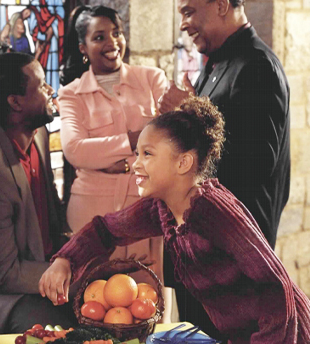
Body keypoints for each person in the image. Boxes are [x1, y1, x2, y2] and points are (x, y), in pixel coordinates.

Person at [40, 96, 310, 343]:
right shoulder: (162, 208)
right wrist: (66, 260)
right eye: (137, 153)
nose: (135, 164)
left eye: (147, 154)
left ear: (183, 163)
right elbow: (106, 229)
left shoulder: (216, 211)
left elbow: (276, 288)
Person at [158, 0, 290, 337]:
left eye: (189, 12)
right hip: (205, 256)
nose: (184, 25)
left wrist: (187, 111)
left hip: (233, 264)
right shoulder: (218, 64)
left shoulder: (257, 66)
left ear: (220, 5)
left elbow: (256, 165)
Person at [56, 5, 169, 316]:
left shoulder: (152, 79)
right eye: (99, 36)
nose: (112, 42)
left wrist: (106, 161)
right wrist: (136, 141)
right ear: (83, 47)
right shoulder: (70, 94)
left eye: (117, 33)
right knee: (92, 306)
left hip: (144, 212)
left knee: (147, 306)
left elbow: (170, 136)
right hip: (90, 213)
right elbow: (75, 150)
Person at [0, 52, 76, 334]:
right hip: (3, 297)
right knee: (66, 331)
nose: (51, 91)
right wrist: (72, 274)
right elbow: (1, 273)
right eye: (41, 85)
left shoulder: (37, 134)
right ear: (15, 102)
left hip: (43, 270)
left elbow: (52, 220)